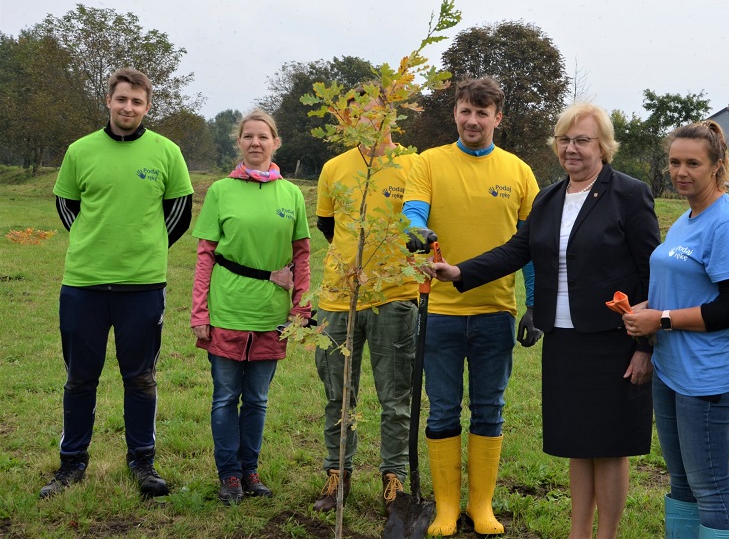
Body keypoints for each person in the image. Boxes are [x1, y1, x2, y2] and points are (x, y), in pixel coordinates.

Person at [431, 102, 660, 539]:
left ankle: (606, 535)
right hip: (564, 341)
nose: (571, 149)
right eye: (564, 140)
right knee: (577, 443)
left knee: (610, 446)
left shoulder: (629, 194)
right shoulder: (550, 197)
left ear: (603, 146)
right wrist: (460, 271)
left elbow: (652, 271)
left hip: (614, 340)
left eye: (582, 140)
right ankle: (578, 533)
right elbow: (517, 250)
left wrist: (644, 346)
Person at [43, 68, 193, 499]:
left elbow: (179, 212)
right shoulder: (80, 150)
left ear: (147, 107)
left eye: (137, 102)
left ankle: (142, 461)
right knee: (79, 379)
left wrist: (145, 247)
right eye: (122, 99)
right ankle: (72, 463)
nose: (129, 107)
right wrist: (94, 243)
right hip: (83, 285)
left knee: (141, 378)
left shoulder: (167, 152)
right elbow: (67, 205)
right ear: (109, 100)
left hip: (143, 286)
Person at [402, 76, 541, 536]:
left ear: (498, 118)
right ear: (455, 113)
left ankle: (481, 507)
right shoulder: (428, 162)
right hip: (439, 312)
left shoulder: (519, 172)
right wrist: (416, 231)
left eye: (483, 113)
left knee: (489, 409)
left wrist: (535, 304)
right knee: (443, 409)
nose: (473, 120)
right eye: (466, 111)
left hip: (495, 312)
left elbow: (532, 247)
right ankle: (446, 508)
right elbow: (413, 211)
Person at [623, 120, 729, 539]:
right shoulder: (686, 217)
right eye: (674, 162)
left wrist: (660, 319)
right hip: (671, 369)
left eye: (692, 163)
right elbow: (685, 286)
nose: (681, 172)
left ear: (716, 165)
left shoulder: (728, 223)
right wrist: (647, 309)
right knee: (680, 482)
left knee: (711, 488)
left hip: (706, 376)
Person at [190, 109, 311, 504]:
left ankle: (250, 470)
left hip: (270, 314)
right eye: (248, 136)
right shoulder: (220, 191)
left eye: (263, 136)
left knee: (257, 399)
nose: (255, 142)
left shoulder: (291, 194)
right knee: (225, 397)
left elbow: (302, 256)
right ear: (239, 142)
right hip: (227, 309)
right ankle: (229, 475)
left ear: (275, 142)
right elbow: (205, 256)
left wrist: (300, 309)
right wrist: (199, 312)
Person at [311, 90, 419, 514]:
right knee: (338, 394)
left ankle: (394, 478)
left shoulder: (413, 165)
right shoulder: (334, 167)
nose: (371, 122)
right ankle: (337, 473)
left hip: (395, 297)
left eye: (378, 115)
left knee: (395, 397)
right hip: (339, 298)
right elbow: (327, 225)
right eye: (360, 116)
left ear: (393, 116)